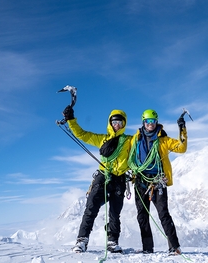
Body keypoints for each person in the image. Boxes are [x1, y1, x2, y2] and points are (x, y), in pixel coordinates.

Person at [62, 105, 132, 253]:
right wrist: (71, 120)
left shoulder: (130, 141)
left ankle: (112, 242)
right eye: (114, 122)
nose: (116, 125)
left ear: (124, 124)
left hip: (119, 179)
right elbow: (82, 134)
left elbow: (144, 142)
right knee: (91, 208)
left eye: (120, 122)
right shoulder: (102, 139)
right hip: (103, 177)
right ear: (110, 123)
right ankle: (82, 240)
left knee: (114, 213)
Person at [128, 109, 187, 255]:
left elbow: (182, 147)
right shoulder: (135, 139)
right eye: (148, 121)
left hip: (158, 181)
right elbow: (128, 156)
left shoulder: (163, 140)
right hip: (141, 180)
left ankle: (174, 246)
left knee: (163, 214)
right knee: (142, 215)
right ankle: (148, 248)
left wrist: (182, 129)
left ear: (156, 122)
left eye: (153, 121)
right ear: (143, 122)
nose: (150, 124)